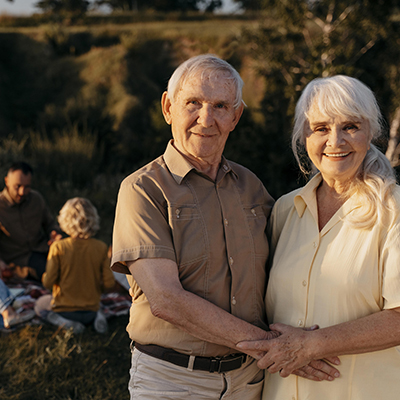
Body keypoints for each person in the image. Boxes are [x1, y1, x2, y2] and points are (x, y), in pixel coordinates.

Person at [111, 54, 339, 400]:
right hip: (173, 381)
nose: (206, 118)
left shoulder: (252, 187)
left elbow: (292, 266)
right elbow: (166, 300)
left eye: (220, 105)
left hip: (250, 379)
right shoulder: (142, 189)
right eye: (193, 103)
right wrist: (276, 348)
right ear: (168, 107)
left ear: (236, 116)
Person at [238, 75, 400, 400]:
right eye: (321, 128)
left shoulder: (394, 210)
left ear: (372, 133)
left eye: (351, 126)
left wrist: (311, 346)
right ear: (303, 136)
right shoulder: (284, 211)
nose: (336, 141)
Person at [35, 197, 115, 334]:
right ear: (93, 219)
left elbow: (48, 283)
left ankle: (64, 323)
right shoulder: (101, 247)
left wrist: (44, 277)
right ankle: (98, 317)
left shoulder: (58, 247)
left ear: (64, 220)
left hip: (65, 311)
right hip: (91, 310)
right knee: (97, 305)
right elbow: (109, 283)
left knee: (39, 305)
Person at [0, 162, 61, 280]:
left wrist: (55, 233)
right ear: (7, 181)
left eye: (27, 187)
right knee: (53, 275)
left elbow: (50, 223)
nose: (22, 192)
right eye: (17, 186)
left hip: (44, 250)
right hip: (17, 261)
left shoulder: (36, 199)